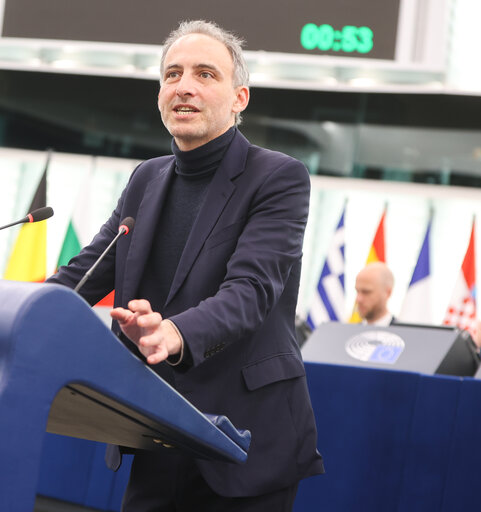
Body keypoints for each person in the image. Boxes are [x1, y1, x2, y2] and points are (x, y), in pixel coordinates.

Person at [47, 19, 323, 511]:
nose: (184, 87)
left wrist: (172, 333)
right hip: (157, 427)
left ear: (239, 98)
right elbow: (85, 274)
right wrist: (19, 309)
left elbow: (252, 291)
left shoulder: (279, 177)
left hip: (246, 441)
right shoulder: (146, 178)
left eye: (205, 74)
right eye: (172, 74)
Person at [354, 262, 395, 326]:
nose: (358, 299)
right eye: (357, 291)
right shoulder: (348, 333)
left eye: (366, 292)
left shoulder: (407, 334)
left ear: (387, 293)